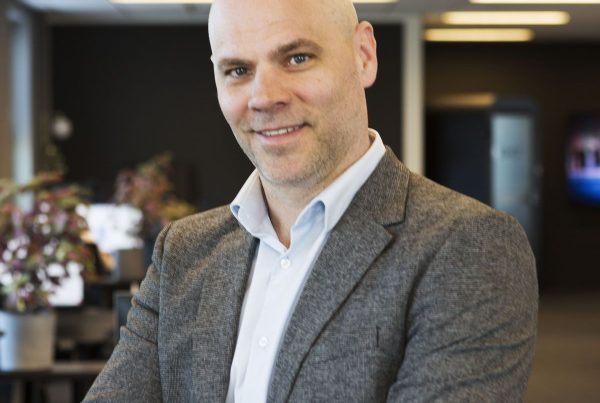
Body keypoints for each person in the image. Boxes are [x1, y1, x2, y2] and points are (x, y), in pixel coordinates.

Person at [84, 0, 538, 401]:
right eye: (238, 70)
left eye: (297, 58)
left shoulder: (468, 247)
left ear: (363, 55)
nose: (264, 97)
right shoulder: (183, 252)